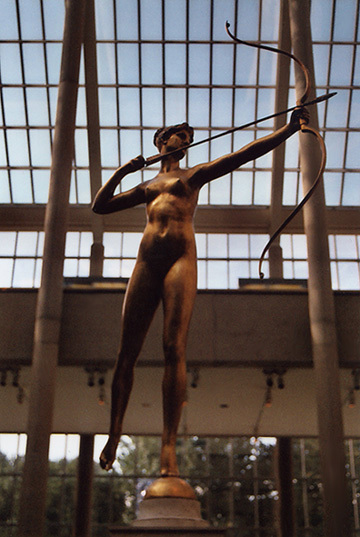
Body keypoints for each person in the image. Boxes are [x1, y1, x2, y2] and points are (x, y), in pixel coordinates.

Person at [92, 108, 308, 474]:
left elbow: (243, 154)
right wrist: (124, 171)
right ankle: (114, 433)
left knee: (173, 347)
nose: (186, 142)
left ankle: (168, 448)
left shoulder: (193, 175)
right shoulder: (145, 186)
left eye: (188, 139)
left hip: (180, 258)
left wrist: (288, 129)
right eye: (180, 136)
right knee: (125, 352)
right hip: (146, 261)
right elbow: (99, 206)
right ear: (162, 139)